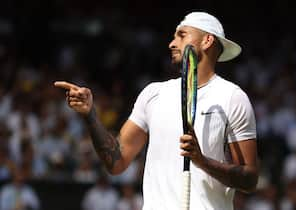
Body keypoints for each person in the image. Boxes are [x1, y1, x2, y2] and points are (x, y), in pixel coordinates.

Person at [54, 11, 259, 210]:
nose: (172, 43)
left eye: (181, 35)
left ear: (207, 40)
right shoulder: (153, 94)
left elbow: (249, 179)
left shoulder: (232, 97)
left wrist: (202, 161)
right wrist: (91, 116)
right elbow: (116, 162)